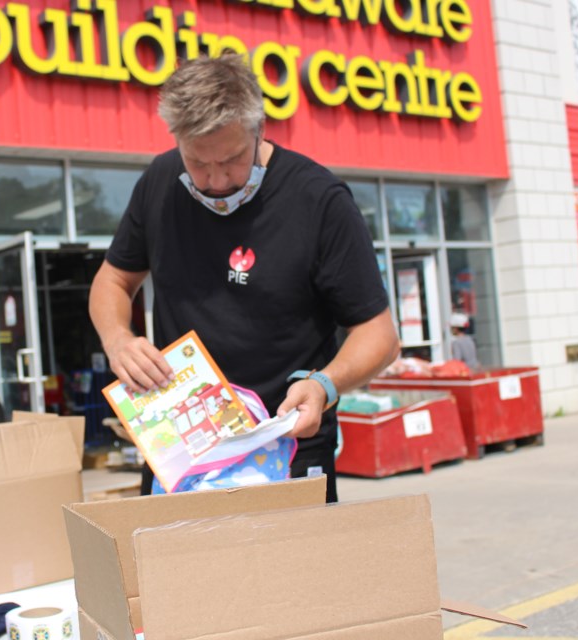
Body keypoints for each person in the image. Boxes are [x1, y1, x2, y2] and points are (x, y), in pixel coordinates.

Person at [88, 53, 400, 502]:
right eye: (197, 162)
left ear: (261, 129)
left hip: (287, 448)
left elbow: (379, 334)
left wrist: (324, 385)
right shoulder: (159, 183)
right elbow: (112, 281)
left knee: (288, 573)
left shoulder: (318, 201)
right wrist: (118, 339)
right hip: (183, 452)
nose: (215, 181)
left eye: (232, 160)